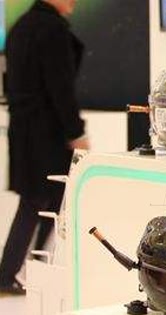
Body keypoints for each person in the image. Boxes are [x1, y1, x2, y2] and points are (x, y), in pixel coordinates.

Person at [0, 0, 89, 296]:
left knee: (40, 200)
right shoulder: (51, 29)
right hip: (48, 134)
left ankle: (29, 269)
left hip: (24, 131)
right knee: (41, 200)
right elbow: (60, 88)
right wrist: (76, 132)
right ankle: (16, 272)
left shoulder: (21, 27)